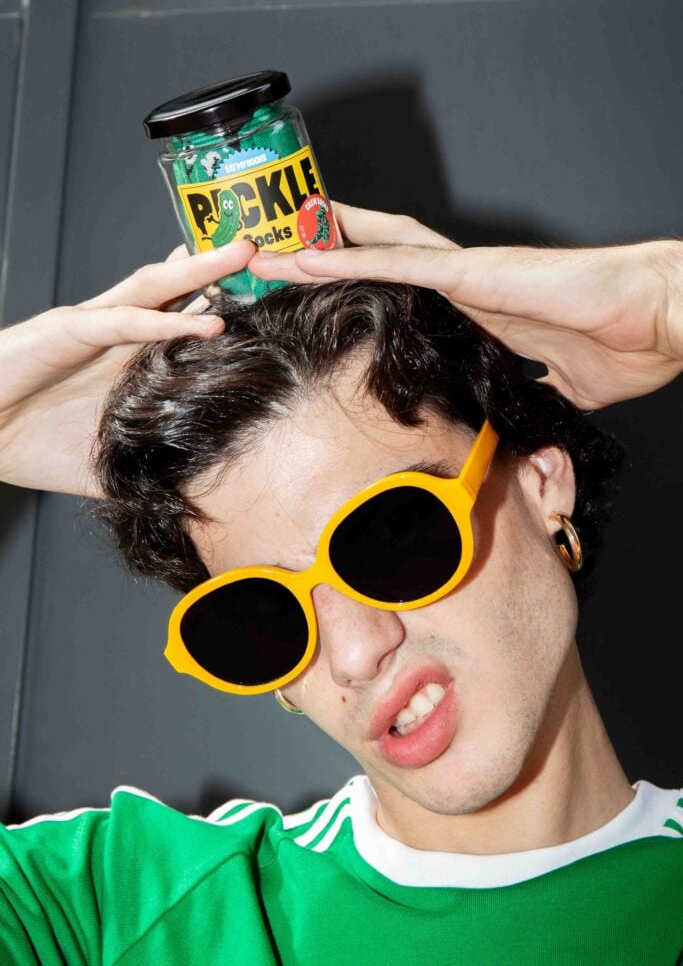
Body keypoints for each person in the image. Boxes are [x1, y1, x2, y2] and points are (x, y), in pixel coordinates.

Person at [0, 204, 680, 965]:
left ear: (541, 485)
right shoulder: (121, 910)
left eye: (393, 539)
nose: (354, 654)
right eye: (267, 614)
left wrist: (665, 295)